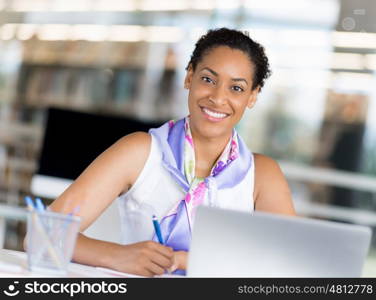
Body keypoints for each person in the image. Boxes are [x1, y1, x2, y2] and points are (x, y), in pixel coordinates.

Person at [48, 28, 296, 277]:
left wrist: (190, 261)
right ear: (189, 77)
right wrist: (117, 255)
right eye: (208, 79)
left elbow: (289, 265)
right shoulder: (140, 151)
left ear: (252, 96)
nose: (218, 98)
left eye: (237, 88)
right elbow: (47, 232)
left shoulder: (261, 175)